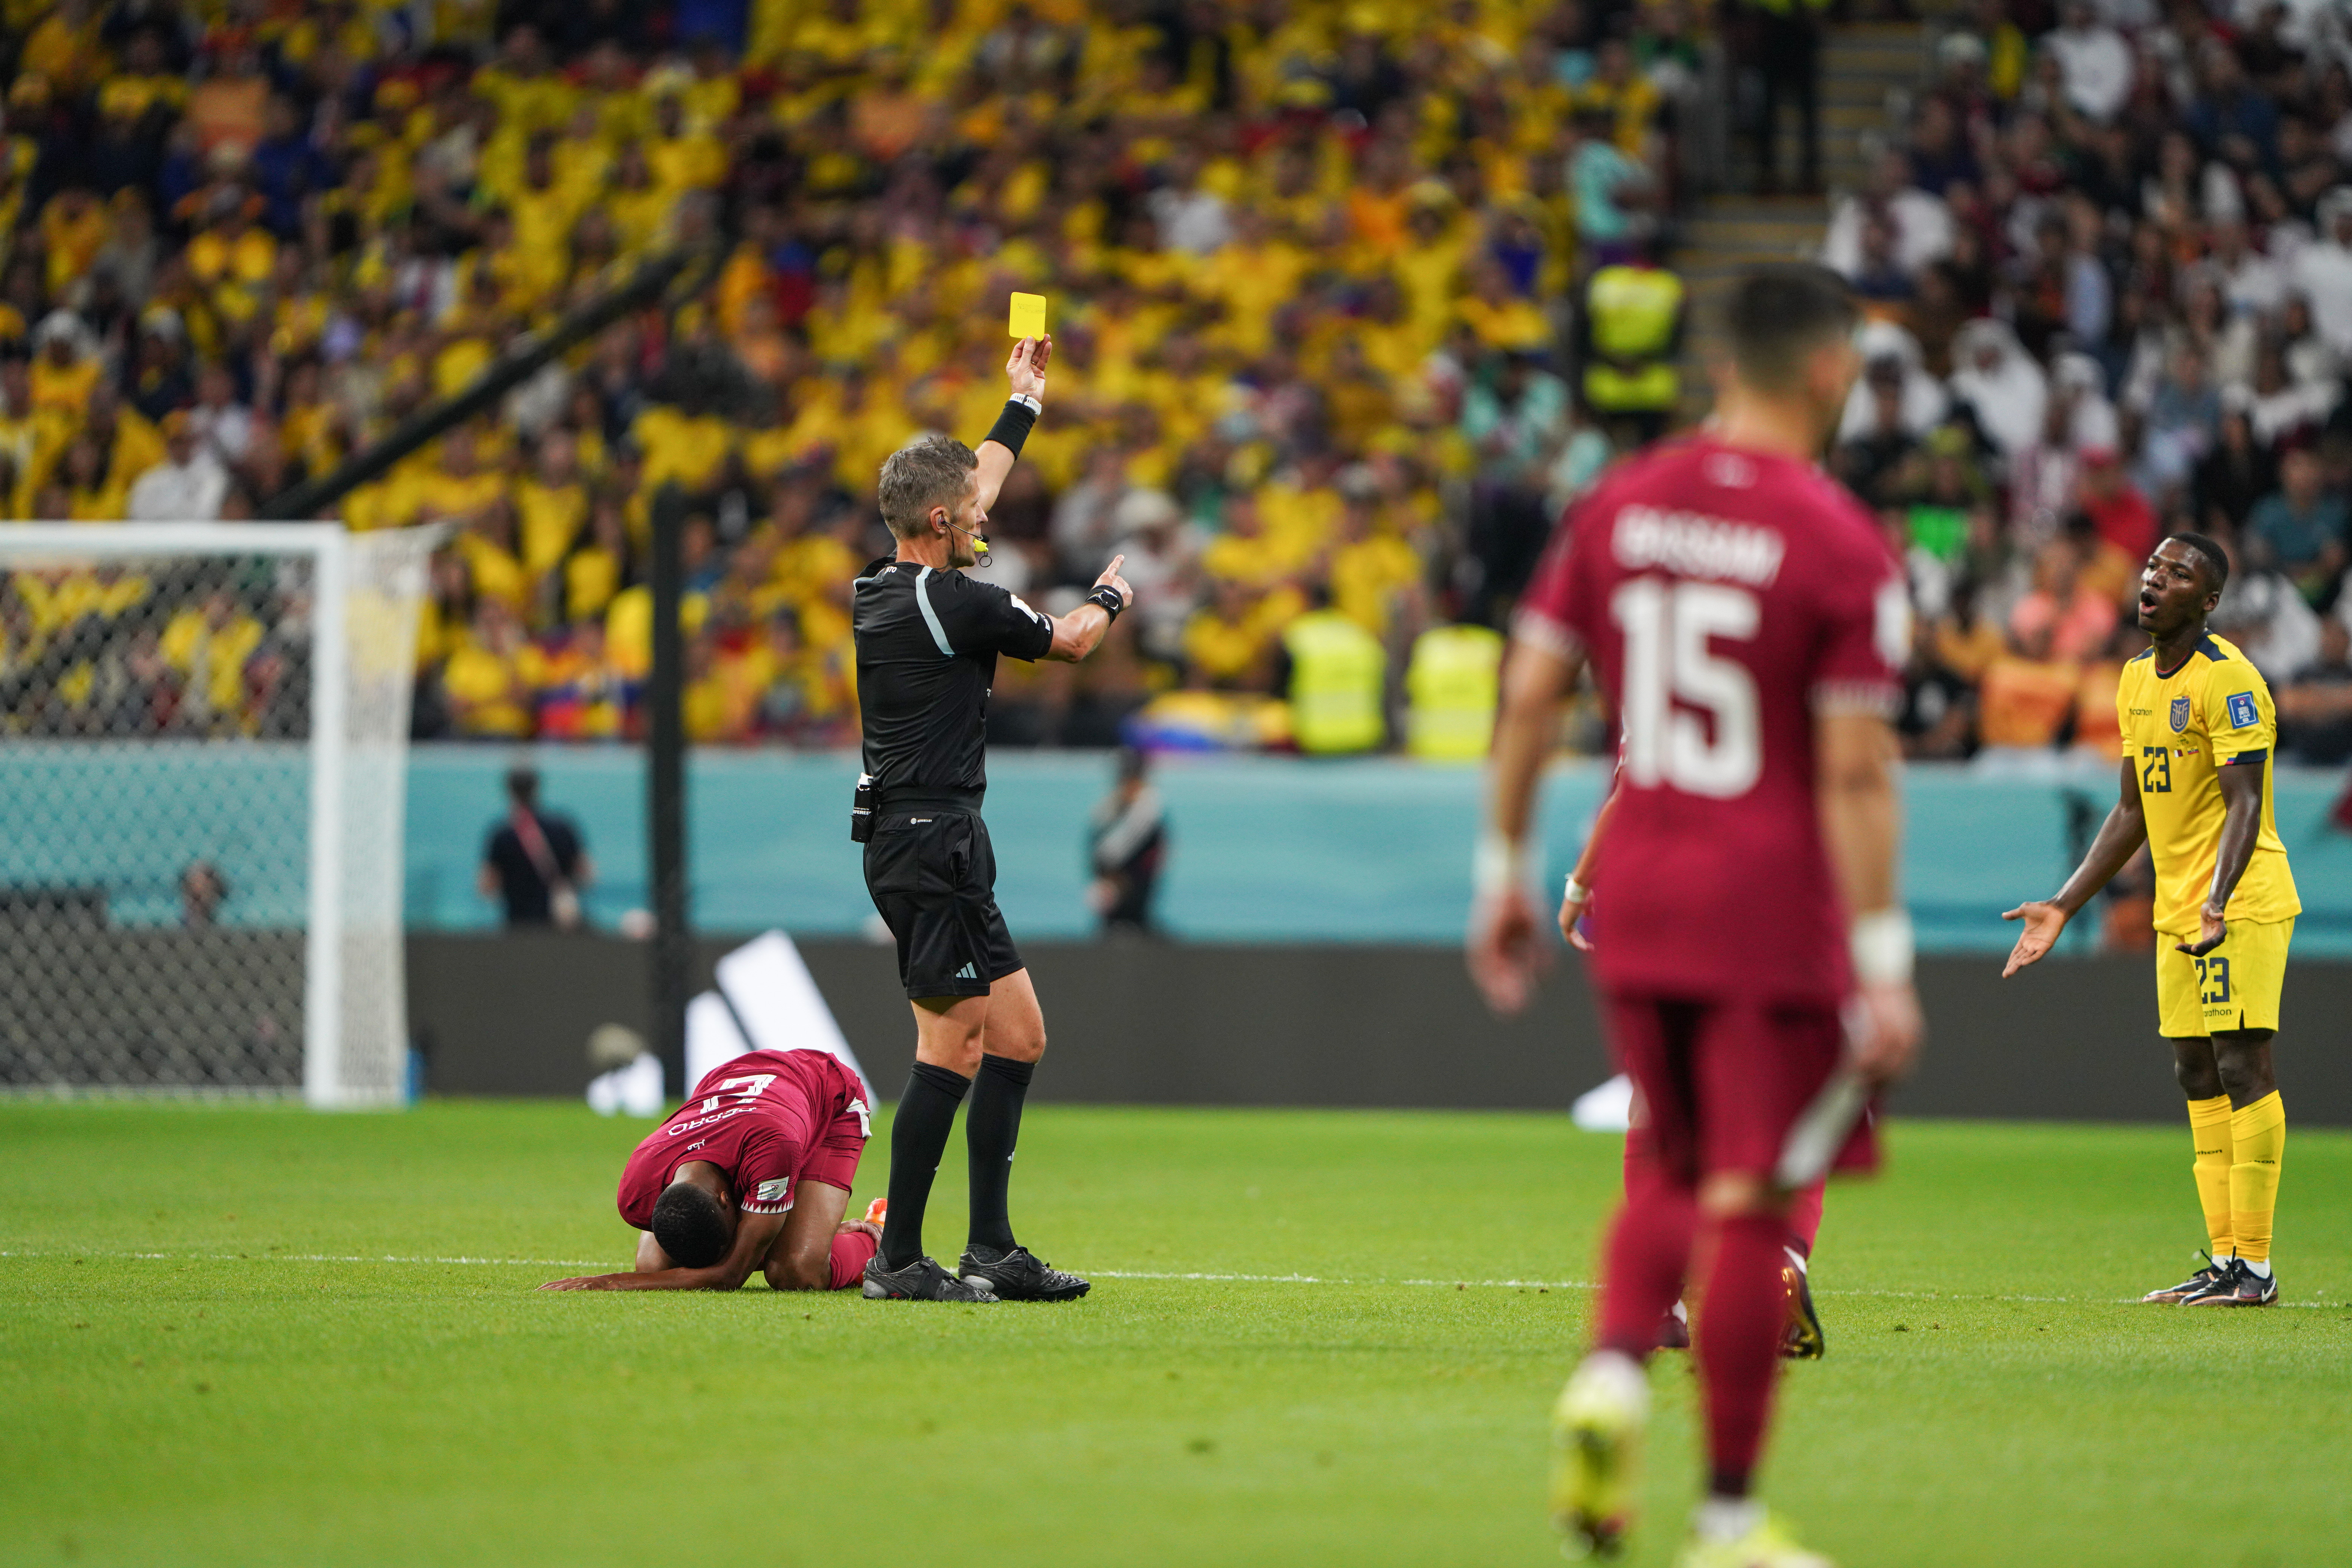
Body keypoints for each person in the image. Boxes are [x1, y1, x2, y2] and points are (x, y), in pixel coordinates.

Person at [1468, 265, 1920, 1566]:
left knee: (1668, 1160)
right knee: (1753, 1193)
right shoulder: (1839, 541)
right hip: (1770, 903)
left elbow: (1530, 693)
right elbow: (1853, 768)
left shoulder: (1621, 505)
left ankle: (1610, 1377)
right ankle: (1725, 1515)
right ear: (1831, 372)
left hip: (1647, 895)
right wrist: (1885, 963)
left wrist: (1505, 871)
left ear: (1720, 363)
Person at [851, 332, 1129, 1304]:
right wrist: (1111, 595)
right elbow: (1072, 643)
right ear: (939, 519)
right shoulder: (963, 604)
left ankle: (991, 1250)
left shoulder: (889, 586)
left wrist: (1022, 406)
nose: (986, 519)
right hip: (928, 842)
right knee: (953, 1045)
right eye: (971, 514)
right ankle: (898, 1259)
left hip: (931, 838)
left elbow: (978, 485)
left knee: (1017, 1037)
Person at [2001, 534, 2300, 1308]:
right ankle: (2228, 1261)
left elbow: (2247, 803)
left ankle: (2258, 1269)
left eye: (2178, 574)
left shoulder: (2230, 682)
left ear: (2208, 602)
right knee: (2195, 1069)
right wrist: (2066, 901)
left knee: (2242, 1064)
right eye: (2152, 568)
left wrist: (2216, 899)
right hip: (2178, 910)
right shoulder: (2134, 680)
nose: (2154, 580)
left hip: (2239, 900)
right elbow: (2133, 810)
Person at [1535, 782, 1830, 1363]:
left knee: (1656, 1092)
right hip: (1769, 878)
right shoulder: (1799, 692)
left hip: (1663, 887)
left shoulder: (1648, 688)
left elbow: (1626, 793)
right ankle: (1784, 1258)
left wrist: (1580, 884)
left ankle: (1661, 1305)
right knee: (1787, 1084)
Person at [540, 1047, 882, 1292]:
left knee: (796, 1270)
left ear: (725, 1197)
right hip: (741, 1092)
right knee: (654, 1267)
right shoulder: (639, 1183)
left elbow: (729, 1276)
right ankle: (819, 1230)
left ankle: (875, 1235)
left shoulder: (776, 1145)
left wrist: (609, 1283)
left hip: (828, 1096)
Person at [478, 766, 592, 929]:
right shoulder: (563, 827)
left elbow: (487, 887)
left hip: (518, 925)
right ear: (538, 787)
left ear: (509, 790)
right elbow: (587, 875)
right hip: (559, 926)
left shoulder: (502, 834)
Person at [1087, 747, 1167, 935]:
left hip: (1137, 897)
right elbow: (1096, 854)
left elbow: (1152, 863)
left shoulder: (1150, 817)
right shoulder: (1106, 814)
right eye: (1125, 780)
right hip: (1111, 899)